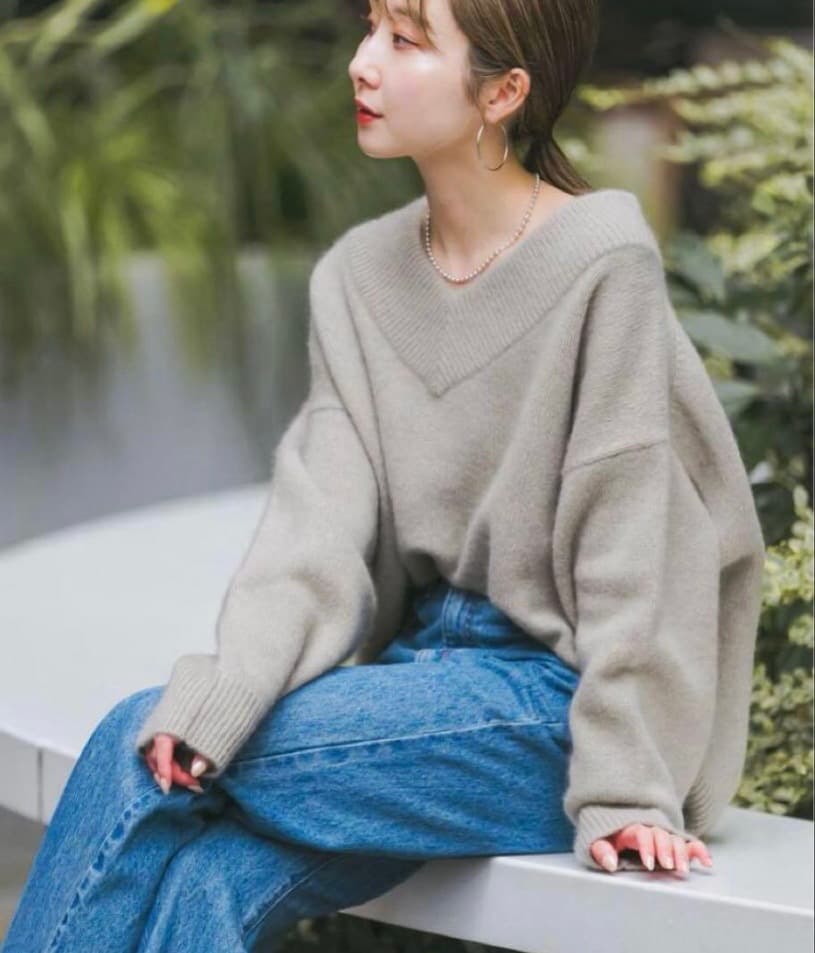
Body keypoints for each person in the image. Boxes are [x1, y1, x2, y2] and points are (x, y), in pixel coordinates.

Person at [2, 0, 766, 950]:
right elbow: (312, 531)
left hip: (554, 711)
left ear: (503, 92)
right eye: (371, 28)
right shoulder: (358, 278)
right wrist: (232, 682)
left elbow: (633, 547)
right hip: (412, 690)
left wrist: (626, 790)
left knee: (138, 740)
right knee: (209, 872)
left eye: (405, 41)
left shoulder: (601, 262)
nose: (363, 63)